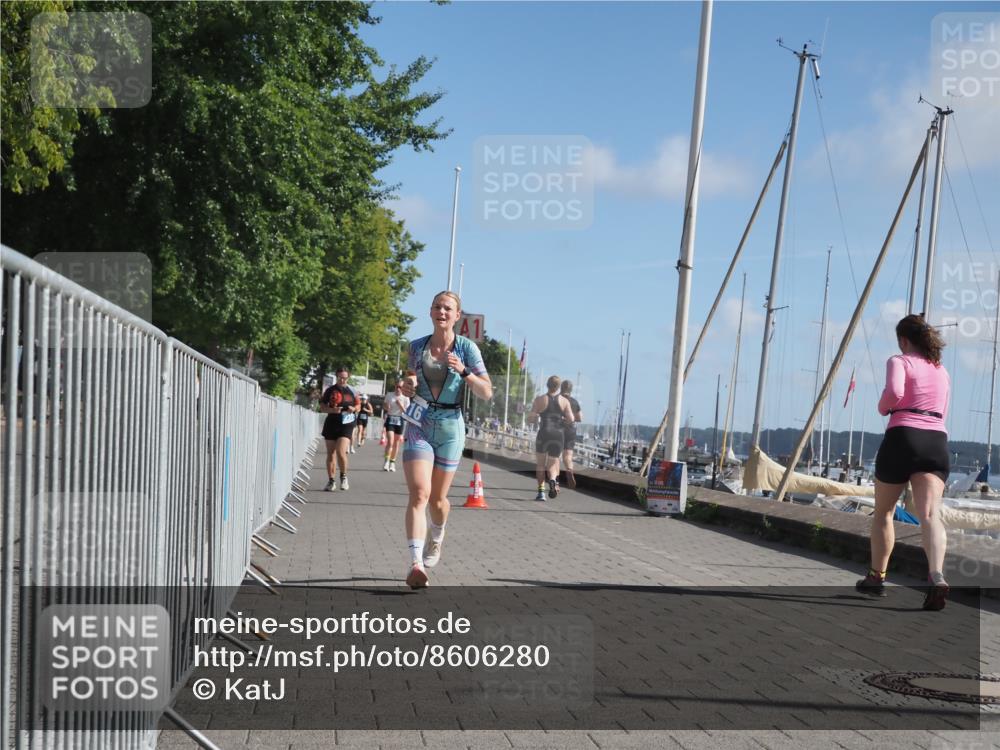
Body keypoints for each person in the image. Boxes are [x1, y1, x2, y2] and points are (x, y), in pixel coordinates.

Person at [858, 314, 951, 610]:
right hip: (936, 440)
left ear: (903, 340)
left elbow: (895, 393)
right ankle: (936, 575)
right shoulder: (942, 371)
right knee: (930, 514)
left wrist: (883, 407)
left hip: (903, 436)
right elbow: (943, 410)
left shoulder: (899, 361)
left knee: (884, 512)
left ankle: (877, 577)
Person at [399, 292, 492, 588]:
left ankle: (436, 536)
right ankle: (415, 564)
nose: (442, 311)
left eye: (447, 308)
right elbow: (411, 378)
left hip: (451, 427)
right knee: (419, 494)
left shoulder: (466, 349)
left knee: (438, 500)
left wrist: (463, 371)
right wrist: (407, 384)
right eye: (437, 306)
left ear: (457, 316)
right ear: (430, 312)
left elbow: (486, 391)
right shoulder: (416, 347)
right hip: (420, 423)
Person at [528, 376, 576, 501]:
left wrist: (535, 418)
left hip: (544, 432)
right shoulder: (565, 401)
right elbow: (571, 419)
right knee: (553, 463)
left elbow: (531, 418)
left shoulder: (539, 400)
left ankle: (541, 493)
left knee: (540, 464)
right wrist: (563, 421)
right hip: (558, 435)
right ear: (558, 387)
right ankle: (553, 480)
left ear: (547, 385)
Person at [319, 366, 359, 491]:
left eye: (345, 378)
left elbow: (358, 405)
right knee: (331, 453)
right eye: (340, 378)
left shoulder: (352, 390)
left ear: (348, 377)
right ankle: (331, 481)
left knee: (341, 451)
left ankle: (343, 476)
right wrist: (332, 410)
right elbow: (322, 407)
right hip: (332, 422)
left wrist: (354, 409)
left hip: (347, 422)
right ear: (337, 376)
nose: (343, 380)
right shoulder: (330, 390)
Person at [382, 373, 414, 472]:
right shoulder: (389, 395)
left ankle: (392, 462)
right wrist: (386, 407)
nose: (398, 388)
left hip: (400, 419)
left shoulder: (405, 398)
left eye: (400, 387)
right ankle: (386, 461)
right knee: (390, 441)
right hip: (390, 419)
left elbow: (407, 412)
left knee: (396, 443)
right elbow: (385, 406)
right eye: (397, 386)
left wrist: (400, 405)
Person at [559, 380, 583, 489]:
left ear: (561, 388)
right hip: (571, 430)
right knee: (568, 456)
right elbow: (579, 418)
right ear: (571, 390)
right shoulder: (574, 402)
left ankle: (554, 480)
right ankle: (569, 469)